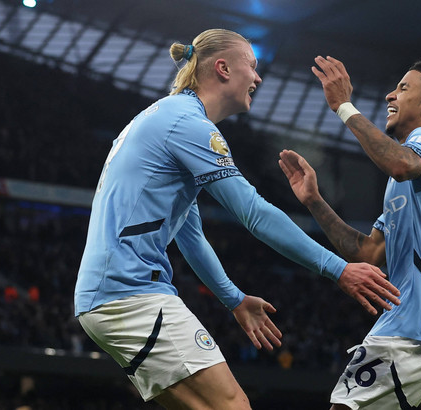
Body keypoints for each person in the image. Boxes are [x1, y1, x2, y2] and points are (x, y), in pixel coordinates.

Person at [73, 30, 401, 410]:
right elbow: (254, 212)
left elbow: (190, 234)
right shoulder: (190, 126)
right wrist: (340, 269)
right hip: (130, 294)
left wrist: (234, 299)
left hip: (106, 298)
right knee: (233, 405)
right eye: (252, 65)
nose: (258, 78)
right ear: (223, 68)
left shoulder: (166, 116)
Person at [278, 56, 421, 409]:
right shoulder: (410, 178)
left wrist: (343, 106)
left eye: (403, 88)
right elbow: (368, 252)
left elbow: (400, 163)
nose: (389, 96)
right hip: (419, 315)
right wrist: (314, 200)